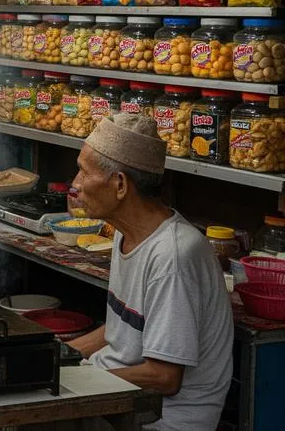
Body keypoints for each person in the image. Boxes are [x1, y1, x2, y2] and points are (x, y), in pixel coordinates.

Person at [67, 114, 233, 430]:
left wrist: (78, 383)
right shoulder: (125, 233)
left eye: (84, 172)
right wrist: (57, 355)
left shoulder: (173, 255)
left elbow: (164, 377)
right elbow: (122, 330)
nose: (75, 183)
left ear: (120, 185)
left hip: (159, 419)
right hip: (123, 400)